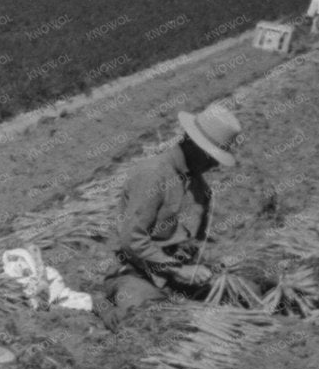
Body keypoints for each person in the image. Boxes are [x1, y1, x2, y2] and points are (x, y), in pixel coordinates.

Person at [97, 103, 242, 319]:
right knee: (145, 317)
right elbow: (132, 239)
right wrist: (177, 269)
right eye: (212, 157)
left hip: (175, 277)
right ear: (193, 144)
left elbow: (196, 243)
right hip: (135, 273)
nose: (215, 165)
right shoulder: (152, 175)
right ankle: (98, 306)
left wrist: (211, 266)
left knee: (236, 299)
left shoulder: (201, 190)